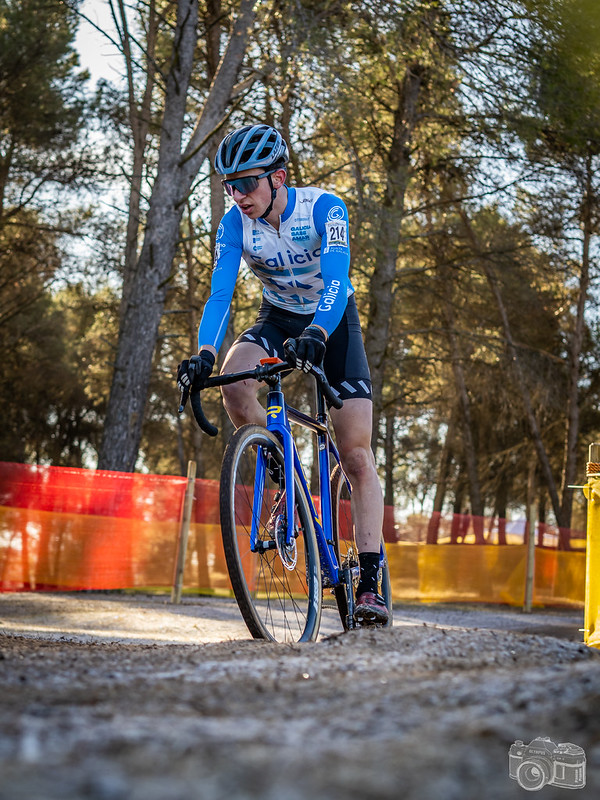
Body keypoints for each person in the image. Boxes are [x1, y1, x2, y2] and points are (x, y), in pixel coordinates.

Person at [177, 124, 388, 625]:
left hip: (333, 321)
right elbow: (220, 294)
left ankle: (371, 583)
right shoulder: (234, 224)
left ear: (278, 177)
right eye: (229, 185)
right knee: (233, 379)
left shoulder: (324, 209)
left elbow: (337, 280)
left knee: (356, 453)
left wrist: (318, 330)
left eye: (247, 183)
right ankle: (283, 476)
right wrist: (204, 352)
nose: (238, 195)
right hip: (277, 318)